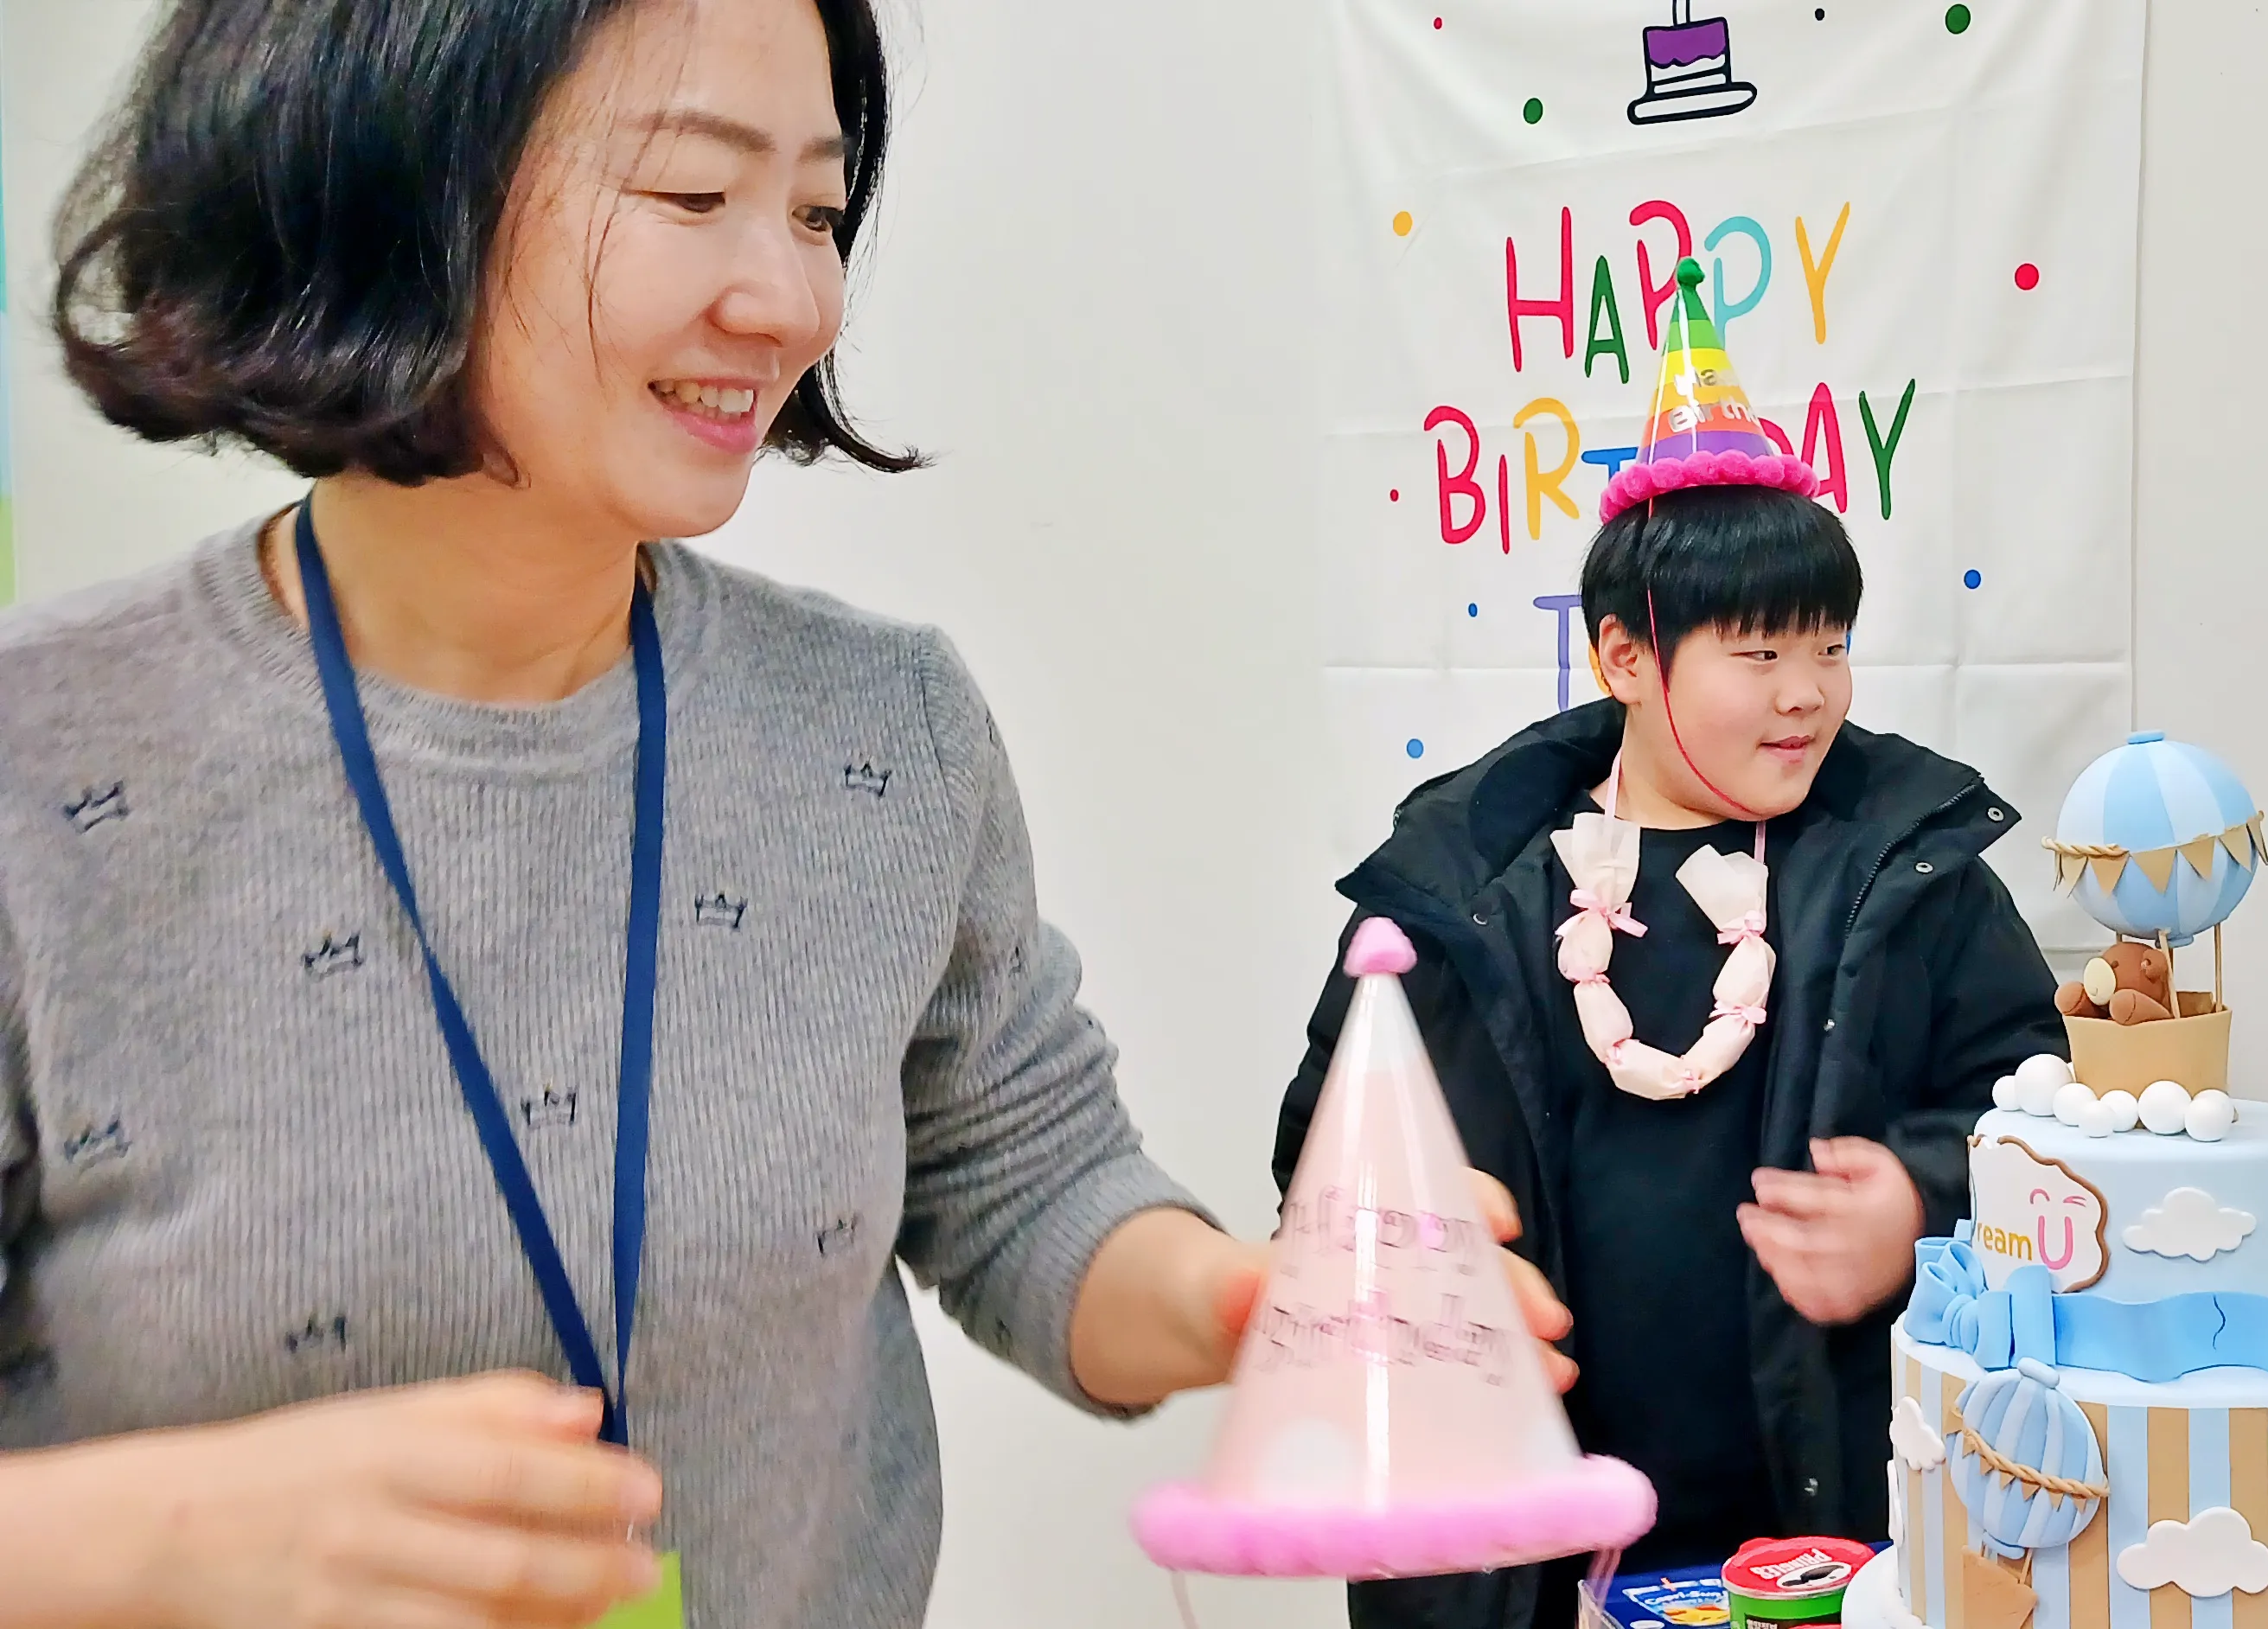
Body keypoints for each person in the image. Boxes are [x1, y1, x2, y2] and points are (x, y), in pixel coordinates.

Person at [0, 4, 1563, 1627]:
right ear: (387, 182)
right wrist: (172, 1538)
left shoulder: (881, 730)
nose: (795, 302)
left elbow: (1026, 1182)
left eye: (817, 211)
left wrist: (1256, 1299)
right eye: (694, 194)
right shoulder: (44, 762)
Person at [1273, 266, 2067, 1628]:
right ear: (1626, 658)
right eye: (1758, 655)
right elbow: (1322, 1169)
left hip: (1839, 1540)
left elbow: (2041, 1115)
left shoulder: (1909, 870)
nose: (1808, 693)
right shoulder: (1462, 892)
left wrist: (1920, 1204)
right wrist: (1417, 1254)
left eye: (1830, 646)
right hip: (1516, 1562)